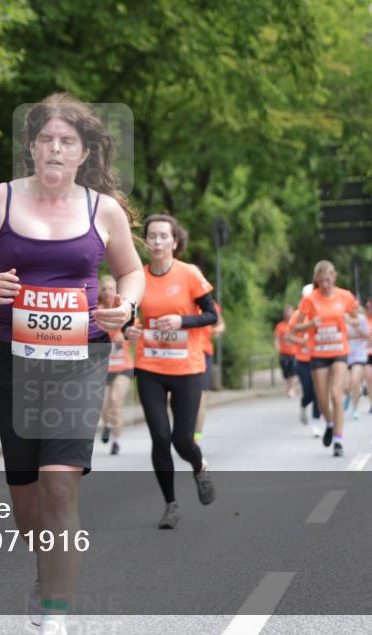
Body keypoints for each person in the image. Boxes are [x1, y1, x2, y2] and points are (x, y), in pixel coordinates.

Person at [0, 93, 143, 633]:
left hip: (80, 358)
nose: (56, 149)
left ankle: (55, 615)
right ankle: (45, 573)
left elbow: (132, 273)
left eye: (68, 142)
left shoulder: (101, 210)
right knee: (27, 503)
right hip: (14, 357)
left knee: (61, 485)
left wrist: (125, 306)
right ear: (31, 147)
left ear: (83, 153)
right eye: (47, 140)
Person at [125, 214, 218, 529]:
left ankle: (199, 467)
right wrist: (129, 330)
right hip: (150, 366)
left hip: (187, 367)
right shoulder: (136, 276)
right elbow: (127, 315)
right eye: (152, 236)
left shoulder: (189, 274)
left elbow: (210, 315)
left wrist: (182, 322)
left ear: (175, 242)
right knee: (160, 437)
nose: (157, 241)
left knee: (182, 440)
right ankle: (171, 505)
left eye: (164, 236)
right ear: (146, 241)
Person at [292, 261, 360, 457]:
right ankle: (329, 422)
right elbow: (295, 328)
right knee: (321, 399)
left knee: (336, 394)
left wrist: (350, 320)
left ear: (334, 277)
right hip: (318, 353)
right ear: (316, 280)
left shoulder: (345, 296)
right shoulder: (309, 300)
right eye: (321, 281)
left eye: (328, 279)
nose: (325, 284)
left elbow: (356, 319)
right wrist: (310, 324)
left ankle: (338, 440)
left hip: (339, 350)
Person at [97, 275, 132, 455]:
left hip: (123, 367)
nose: (108, 292)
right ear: (100, 293)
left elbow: (132, 333)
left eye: (111, 288)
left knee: (115, 403)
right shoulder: (97, 311)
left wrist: (125, 337)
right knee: (103, 407)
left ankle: (116, 442)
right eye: (104, 289)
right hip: (102, 369)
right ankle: (108, 424)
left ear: (116, 291)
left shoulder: (123, 310)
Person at [286, 286, 320, 435]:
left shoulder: (320, 313)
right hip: (302, 359)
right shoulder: (297, 315)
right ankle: (303, 404)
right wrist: (303, 343)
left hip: (318, 358)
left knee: (318, 392)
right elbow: (288, 336)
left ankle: (316, 423)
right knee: (308, 391)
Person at [193, 301, 224, 444]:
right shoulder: (178, 298)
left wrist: (217, 330)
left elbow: (220, 324)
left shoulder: (209, 303)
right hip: (181, 352)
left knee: (199, 395)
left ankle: (197, 436)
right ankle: (182, 429)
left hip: (203, 353)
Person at [344, 305, 372, 420]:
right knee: (345, 385)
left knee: (355, 381)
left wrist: (355, 326)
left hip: (359, 356)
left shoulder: (362, 319)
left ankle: (355, 408)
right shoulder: (343, 318)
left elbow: (367, 335)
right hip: (345, 355)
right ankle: (348, 395)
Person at [274, 305, 298, 399]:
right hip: (284, 353)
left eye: (289, 312)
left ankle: (291, 388)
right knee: (286, 372)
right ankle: (289, 387)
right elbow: (276, 338)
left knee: (293, 371)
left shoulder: (296, 325)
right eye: (286, 312)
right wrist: (277, 348)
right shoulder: (280, 325)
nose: (288, 314)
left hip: (294, 352)